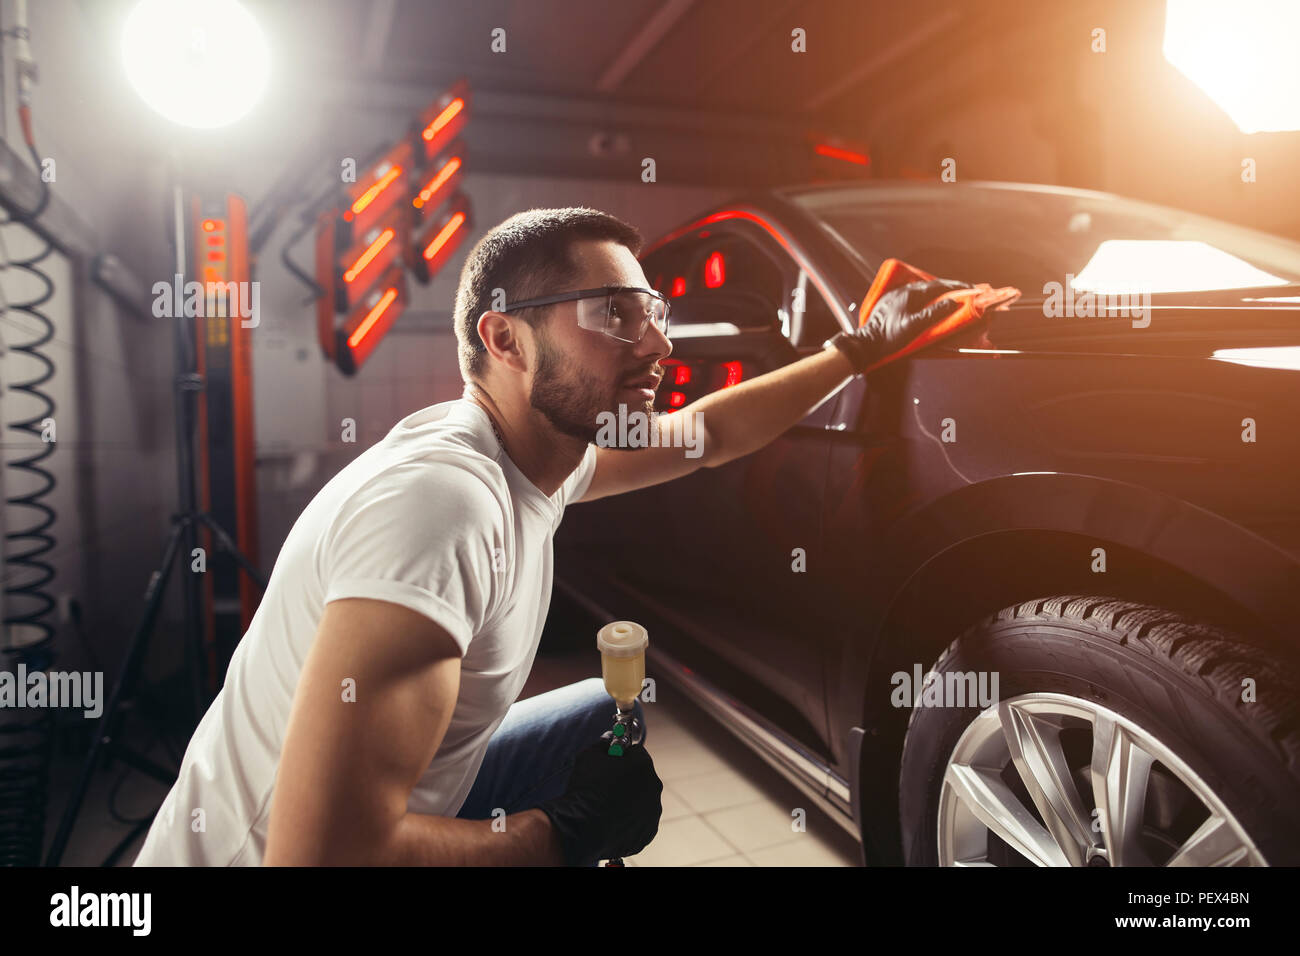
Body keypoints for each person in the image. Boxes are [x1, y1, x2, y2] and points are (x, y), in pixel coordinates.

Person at [133, 207, 966, 866]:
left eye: (653, 314)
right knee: (577, 801)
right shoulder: (442, 507)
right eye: (616, 316)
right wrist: (557, 836)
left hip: (376, 819)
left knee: (602, 710)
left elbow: (708, 435)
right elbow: (323, 857)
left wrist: (857, 348)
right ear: (504, 338)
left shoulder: (540, 456)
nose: (661, 347)